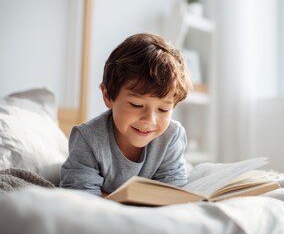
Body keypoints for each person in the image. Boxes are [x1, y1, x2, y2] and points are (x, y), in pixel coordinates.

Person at [60, 33, 192, 196]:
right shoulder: (88, 138)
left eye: (163, 109)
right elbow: (80, 196)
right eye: (136, 105)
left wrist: (106, 195)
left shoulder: (172, 136)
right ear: (108, 96)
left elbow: (172, 193)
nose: (149, 120)